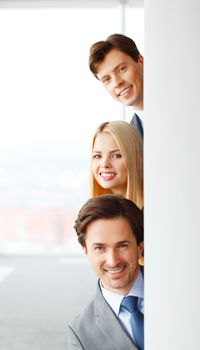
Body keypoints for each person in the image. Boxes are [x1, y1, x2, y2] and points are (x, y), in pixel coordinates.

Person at [68, 194, 144, 350]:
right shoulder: (80, 333)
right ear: (86, 251)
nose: (113, 260)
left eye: (122, 245)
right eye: (100, 248)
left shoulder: (176, 292)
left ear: (139, 247)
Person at [89, 34, 144, 141]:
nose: (116, 83)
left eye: (122, 69)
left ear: (141, 61)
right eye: (107, 79)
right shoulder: (130, 140)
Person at [91, 120, 143, 209]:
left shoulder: (152, 213)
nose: (104, 164)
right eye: (98, 156)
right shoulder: (93, 214)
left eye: (116, 155)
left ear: (138, 161)